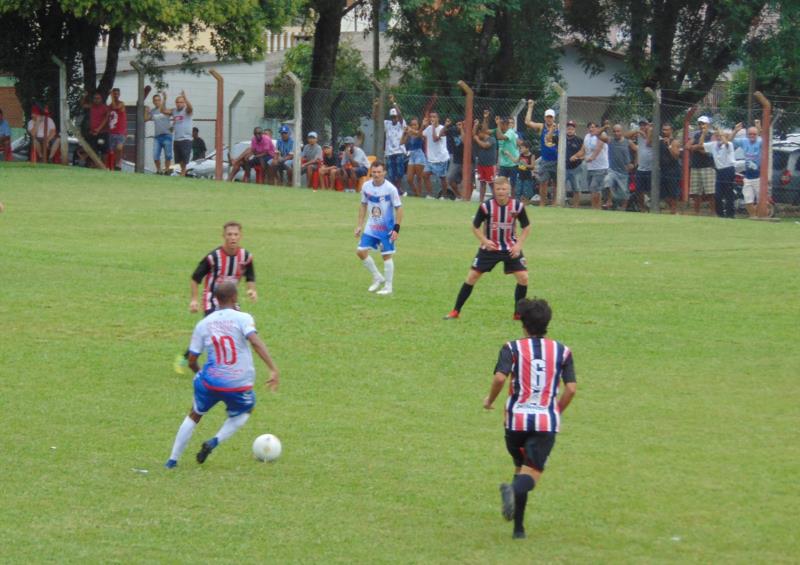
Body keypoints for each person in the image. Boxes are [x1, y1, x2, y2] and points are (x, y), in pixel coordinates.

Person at [484, 297, 577, 539]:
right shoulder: (562, 351)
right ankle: (512, 491)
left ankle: (519, 529)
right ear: (547, 323)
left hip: (515, 422)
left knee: (521, 467)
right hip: (544, 423)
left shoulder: (511, 348)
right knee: (531, 475)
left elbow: (500, 378)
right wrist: (555, 409)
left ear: (523, 323)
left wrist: (490, 400)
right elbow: (571, 389)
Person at [165, 281, 279, 469]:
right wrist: (273, 368)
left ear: (215, 299)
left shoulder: (203, 324)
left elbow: (192, 360)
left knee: (194, 414)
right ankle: (214, 441)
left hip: (210, 381)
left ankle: (172, 461)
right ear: (235, 297)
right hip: (238, 384)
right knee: (245, 410)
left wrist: (201, 375)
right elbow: (255, 342)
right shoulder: (243, 318)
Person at [174, 221, 258, 373]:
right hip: (211, 299)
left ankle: (231, 362)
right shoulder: (214, 257)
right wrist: (194, 300)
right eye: (229, 234)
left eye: (236, 234)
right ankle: (188, 358)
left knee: (237, 329)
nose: (233, 238)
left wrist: (251, 290)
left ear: (241, 236)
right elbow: (195, 278)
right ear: (223, 236)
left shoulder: (246, 256)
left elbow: (250, 276)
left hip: (231, 301)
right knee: (213, 330)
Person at [444, 176, 531, 320]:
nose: (501, 192)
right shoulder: (486, 206)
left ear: (509, 190)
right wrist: (484, 240)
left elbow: (527, 227)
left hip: (510, 248)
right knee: (472, 277)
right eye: (498, 189)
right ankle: (455, 311)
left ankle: (518, 313)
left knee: (523, 278)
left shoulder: (517, 206)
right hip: (490, 248)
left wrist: (518, 245)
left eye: (504, 189)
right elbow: (475, 226)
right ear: (494, 190)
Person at [354, 160, 403, 295]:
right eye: (374, 172)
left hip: (387, 228)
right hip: (371, 226)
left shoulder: (390, 189)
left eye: (379, 172)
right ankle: (377, 276)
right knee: (360, 251)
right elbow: (363, 205)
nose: (376, 175)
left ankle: (388, 287)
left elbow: (399, 208)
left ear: (384, 173)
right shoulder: (366, 186)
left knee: (386, 256)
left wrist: (396, 229)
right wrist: (359, 225)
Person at [690, 128, 737, 219]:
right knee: (718, 194)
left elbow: (726, 143)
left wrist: (722, 134)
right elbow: (700, 145)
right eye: (717, 136)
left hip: (728, 169)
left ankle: (730, 214)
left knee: (728, 193)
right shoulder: (713, 145)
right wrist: (703, 134)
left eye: (720, 136)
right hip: (719, 171)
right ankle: (720, 214)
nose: (718, 137)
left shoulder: (729, 144)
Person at [524, 100, 558, 206]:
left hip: (557, 160)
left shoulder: (558, 127)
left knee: (556, 184)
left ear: (554, 118)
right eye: (547, 117)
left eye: (551, 117)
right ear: (545, 118)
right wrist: (530, 107)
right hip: (545, 160)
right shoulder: (541, 126)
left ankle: (554, 203)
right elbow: (528, 122)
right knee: (543, 183)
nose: (549, 119)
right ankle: (542, 204)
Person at [570, 121, 608, 209]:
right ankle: (596, 209)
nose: (591, 129)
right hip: (590, 168)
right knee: (593, 190)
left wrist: (591, 158)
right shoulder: (587, 137)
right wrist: (575, 156)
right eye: (590, 127)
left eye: (593, 127)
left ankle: (595, 209)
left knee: (594, 188)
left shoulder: (602, 135)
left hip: (601, 168)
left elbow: (598, 149)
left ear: (598, 128)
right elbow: (583, 150)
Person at [732, 120, 763, 218]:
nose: (752, 136)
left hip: (759, 176)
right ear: (747, 135)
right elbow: (730, 140)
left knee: (760, 200)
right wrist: (735, 130)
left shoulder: (760, 141)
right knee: (747, 199)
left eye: (754, 134)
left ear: (757, 134)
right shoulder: (744, 141)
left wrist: (759, 127)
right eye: (750, 134)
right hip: (748, 176)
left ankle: (757, 216)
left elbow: (765, 139)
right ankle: (753, 216)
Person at [160, 91, 193, 176]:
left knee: (185, 159)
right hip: (177, 139)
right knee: (179, 159)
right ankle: (183, 173)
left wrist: (185, 98)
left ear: (184, 103)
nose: (179, 104)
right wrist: (164, 99)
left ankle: (183, 173)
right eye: (177, 102)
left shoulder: (187, 110)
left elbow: (190, 108)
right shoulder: (174, 111)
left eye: (181, 102)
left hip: (186, 139)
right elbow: (163, 110)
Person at [604, 124, 636, 210]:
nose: (616, 133)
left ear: (621, 132)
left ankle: (623, 208)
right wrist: (604, 127)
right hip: (612, 169)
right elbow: (598, 135)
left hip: (624, 171)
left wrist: (634, 164)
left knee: (624, 191)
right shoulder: (610, 140)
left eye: (618, 131)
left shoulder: (627, 142)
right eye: (614, 131)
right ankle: (609, 201)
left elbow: (637, 150)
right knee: (607, 181)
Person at [689, 116, 716, 215]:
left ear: (708, 125)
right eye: (700, 124)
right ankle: (696, 213)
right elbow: (688, 146)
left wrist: (696, 147)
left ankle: (713, 212)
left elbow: (706, 150)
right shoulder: (696, 135)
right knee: (696, 192)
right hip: (696, 166)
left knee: (710, 192)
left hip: (708, 166)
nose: (701, 126)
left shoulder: (712, 136)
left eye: (703, 123)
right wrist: (699, 148)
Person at [422, 112, 450, 199]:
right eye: (431, 117)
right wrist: (423, 126)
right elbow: (421, 135)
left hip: (441, 158)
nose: (432, 118)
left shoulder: (442, 128)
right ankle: (430, 195)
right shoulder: (429, 128)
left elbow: (435, 139)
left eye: (434, 117)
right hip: (431, 158)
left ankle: (445, 196)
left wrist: (433, 127)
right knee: (425, 175)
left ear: (438, 118)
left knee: (442, 177)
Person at [144, 92, 173, 174]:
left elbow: (172, 114)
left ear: (161, 101)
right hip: (157, 136)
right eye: (155, 100)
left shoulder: (165, 110)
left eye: (158, 100)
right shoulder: (153, 111)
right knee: (155, 155)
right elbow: (145, 119)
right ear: (153, 102)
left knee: (168, 155)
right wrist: (146, 110)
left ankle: (167, 170)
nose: (157, 102)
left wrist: (165, 98)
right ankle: (159, 170)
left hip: (167, 135)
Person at [383, 95, 407, 190]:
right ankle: (395, 189)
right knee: (391, 173)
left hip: (399, 151)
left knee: (399, 172)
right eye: (392, 117)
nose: (394, 118)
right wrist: (376, 106)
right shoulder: (387, 124)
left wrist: (393, 103)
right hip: (389, 152)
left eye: (395, 116)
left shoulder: (401, 124)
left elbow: (400, 115)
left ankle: (399, 188)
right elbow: (376, 118)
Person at [659, 123, 682, 214]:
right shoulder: (660, 141)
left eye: (667, 130)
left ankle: (674, 211)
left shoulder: (674, 142)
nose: (665, 132)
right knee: (663, 194)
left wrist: (669, 145)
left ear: (671, 131)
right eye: (663, 130)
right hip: (663, 170)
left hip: (673, 170)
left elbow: (676, 156)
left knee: (673, 193)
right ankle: (673, 209)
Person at [494, 115, 520, 196]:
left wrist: (497, 124)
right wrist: (498, 162)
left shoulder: (510, 132)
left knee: (513, 184)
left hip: (512, 163)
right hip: (503, 164)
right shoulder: (501, 132)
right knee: (501, 183)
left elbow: (499, 137)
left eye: (501, 124)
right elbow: (500, 149)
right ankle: (501, 199)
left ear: (505, 124)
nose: (500, 126)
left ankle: (512, 201)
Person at [401, 117, 426, 197]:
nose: (413, 126)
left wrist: (412, 129)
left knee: (419, 177)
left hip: (419, 155)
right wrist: (404, 133)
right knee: (409, 179)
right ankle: (416, 193)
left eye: (415, 125)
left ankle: (419, 195)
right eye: (412, 125)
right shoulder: (410, 134)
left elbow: (419, 134)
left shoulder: (420, 132)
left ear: (418, 125)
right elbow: (401, 142)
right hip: (412, 155)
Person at [82, 92, 109, 163]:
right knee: (93, 149)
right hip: (93, 133)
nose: (96, 100)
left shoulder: (104, 108)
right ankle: (93, 165)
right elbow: (83, 105)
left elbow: (106, 119)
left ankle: (104, 166)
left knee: (103, 149)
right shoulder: (91, 106)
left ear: (101, 99)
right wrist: (84, 97)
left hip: (102, 133)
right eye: (95, 98)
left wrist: (98, 129)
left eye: (98, 98)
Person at [474, 122, 498, 202]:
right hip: (481, 164)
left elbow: (485, 145)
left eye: (478, 134)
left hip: (490, 165)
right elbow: (473, 135)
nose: (477, 136)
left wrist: (477, 139)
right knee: (482, 183)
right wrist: (476, 125)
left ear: (482, 132)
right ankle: (481, 201)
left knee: (491, 184)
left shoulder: (492, 139)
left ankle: (496, 201)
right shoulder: (480, 139)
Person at [445, 119, 469, 200]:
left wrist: (462, 129)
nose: (461, 125)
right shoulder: (453, 130)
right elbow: (440, 134)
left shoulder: (469, 131)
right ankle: (459, 196)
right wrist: (446, 125)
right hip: (456, 158)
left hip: (467, 160)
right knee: (450, 178)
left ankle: (465, 198)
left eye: (463, 124)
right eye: (459, 124)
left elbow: (464, 141)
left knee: (465, 180)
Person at [564, 120, 584, 208]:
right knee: (560, 187)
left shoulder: (579, 140)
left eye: (571, 128)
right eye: (568, 128)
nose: (570, 130)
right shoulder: (561, 139)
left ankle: (576, 206)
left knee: (576, 188)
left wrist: (577, 157)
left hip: (576, 168)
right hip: (564, 168)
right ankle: (560, 203)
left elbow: (584, 153)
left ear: (574, 129)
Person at [107, 87, 127, 170]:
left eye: (117, 94)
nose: (115, 95)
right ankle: (112, 165)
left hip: (120, 131)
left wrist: (111, 96)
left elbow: (115, 107)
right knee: (111, 150)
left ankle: (118, 163)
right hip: (111, 131)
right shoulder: (109, 106)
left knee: (119, 148)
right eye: (114, 94)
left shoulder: (121, 103)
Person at [515, 140, 536, 205]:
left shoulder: (532, 156)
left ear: (527, 148)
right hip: (520, 175)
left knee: (526, 191)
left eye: (522, 148)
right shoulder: (521, 155)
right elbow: (516, 161)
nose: (521, 149)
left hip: (527, 176)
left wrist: (525, 165)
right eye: (520, 148)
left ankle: (526, 204)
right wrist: (509, 155)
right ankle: (517, 204)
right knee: (518, 190)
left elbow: (532, 166)